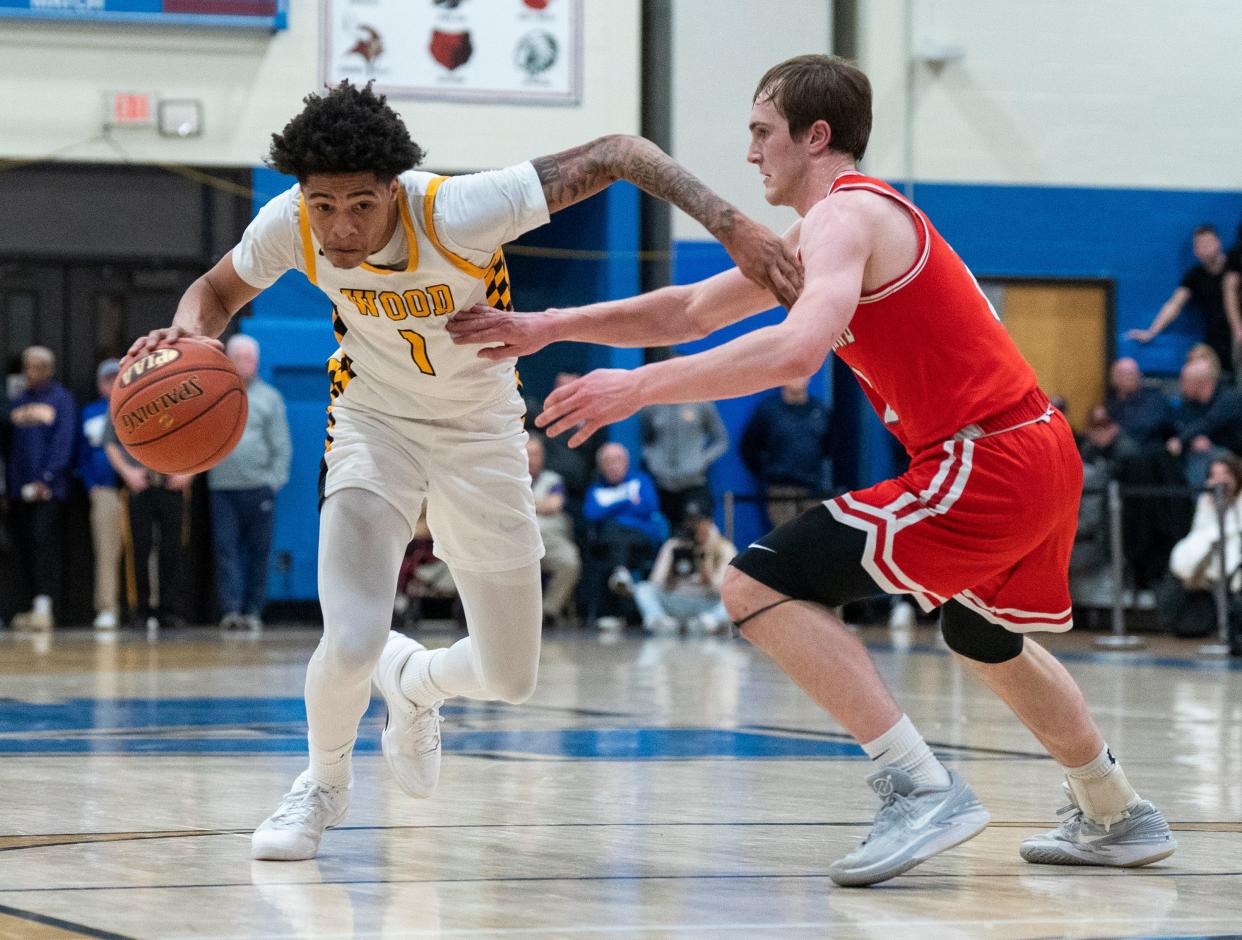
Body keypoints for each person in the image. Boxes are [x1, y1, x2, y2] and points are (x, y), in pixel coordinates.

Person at [448, 54, 1176, 886]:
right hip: (1032, 448)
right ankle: (1116, 809)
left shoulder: (846, 215)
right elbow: (690, 309)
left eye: (763, 132)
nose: (751, 152)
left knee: (754, 584)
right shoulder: (830, 229)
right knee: (982, 633)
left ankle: (918, 786)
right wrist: (549, 324)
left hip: (985, 456)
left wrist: (638, 386)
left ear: (815, 135)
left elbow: (796, 349)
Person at [122, 80, 799, 862]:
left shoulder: (460, 209)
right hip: (373, 422)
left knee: (510, 676)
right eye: (322, 205)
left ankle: (416, 684)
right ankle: (321, 785)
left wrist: (733, 226)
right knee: (348, 639)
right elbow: (214, 292)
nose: (340, 228)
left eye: (361, 205)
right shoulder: (290, 225)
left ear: (393, 189)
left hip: (482, 434)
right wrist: (181, 340)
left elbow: (620, 153)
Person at [208, 335, 293, 632]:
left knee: (259, 552)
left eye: (251, 358)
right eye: (241, 357)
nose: (247, 363)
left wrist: (273, 482)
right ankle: (230, 610)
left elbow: (281, 446)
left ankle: (254, 610)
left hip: (258, 488)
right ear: (229, 360)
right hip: (223, 487)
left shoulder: (270, 398)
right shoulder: (216, 395)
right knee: (225, 552)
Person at [6, 346, 76, 632]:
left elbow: (64, 443)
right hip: (17, 490)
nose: (28, 372)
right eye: (25, 366)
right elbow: (10, 448)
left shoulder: (61, 400)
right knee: (21, 547)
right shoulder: (17, 401)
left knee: (42, 543)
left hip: (48, 490)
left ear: (47, 369)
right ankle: (27, 606)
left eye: (33, 367)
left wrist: (46, 478)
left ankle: (45, 607)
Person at [103, 416, 193, 632]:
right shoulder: (125, 391)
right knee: (139, 549)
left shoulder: (183, 393)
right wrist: (127, 472)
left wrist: (189, 473)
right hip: (140, 484)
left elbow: (200, 438)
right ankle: (140, 610)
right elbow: (110, 442)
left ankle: (170, 610)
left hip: (172, 484)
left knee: (172, 548)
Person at [1128, 224, 1238, 373]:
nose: (1204, 248)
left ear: (1218, 243)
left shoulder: (1235, 268)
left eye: (1207, 243)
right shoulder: (1194, 276)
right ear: (1195, 251)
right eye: (1199, 245)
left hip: (1237, 335)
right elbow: (1174, 305)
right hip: (1216, 343)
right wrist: (1151, 332)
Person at [582, 442, 667, 626]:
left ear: (626, 462)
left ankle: (613, 613)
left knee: (615, 532)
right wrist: (626, 501)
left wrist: (609, 507)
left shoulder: (641, 481)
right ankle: (621, 578)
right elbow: (590, 513)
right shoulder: (595, 489)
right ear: (600, 466)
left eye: (617, 460)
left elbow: (648, 506)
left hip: (640, 540)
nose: (613, 465)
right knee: (612, 537)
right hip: (608, 542)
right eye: (607, 461)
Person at [739, 375, 833, 528]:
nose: (796, 379)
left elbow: (831, 446)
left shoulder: (821, 410)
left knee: (814, 538)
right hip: (780, 489)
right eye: (793, 374)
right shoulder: (769, 409)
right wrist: (767, 473)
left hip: (813, 487)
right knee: (785, 537)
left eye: (801, 374)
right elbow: (749, 447)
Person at [629, 502, 736, 634]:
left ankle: (708, 622)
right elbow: (655, 582)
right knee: (643, 589)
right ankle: (659, 621)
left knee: (735, 598)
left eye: (698, 521)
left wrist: (706, 574)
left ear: (709, 521)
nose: (695, 526)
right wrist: (670, 574)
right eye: (691, 521)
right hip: (677, 599)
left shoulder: (723, 548)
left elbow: (725, 588)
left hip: (706, 602)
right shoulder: (674, 545)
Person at [79, 358, 124, 632]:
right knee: (106, 551)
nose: (112, 383)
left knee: (145, 550)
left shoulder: (136, 407)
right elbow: (81, 453)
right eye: (108, 379)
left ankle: (145, 607)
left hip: (135, 488)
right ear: (99, 383)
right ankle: (107, 608)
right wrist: (90, 483)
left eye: (117, 377)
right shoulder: (90, 413)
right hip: (104, 489)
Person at [639, 394, 728, 529]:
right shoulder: (651, 406)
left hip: (694, 482)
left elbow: (721, 440)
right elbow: (646, 439)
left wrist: (703, 460)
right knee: (663, 534)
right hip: (662, 484)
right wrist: (652, 460)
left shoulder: (702, 403)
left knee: (697, 532)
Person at [526, 433, 581, 624]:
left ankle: (548, 613)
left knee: (570, 561)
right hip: (516, 540)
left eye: (537, 454)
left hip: (550, 540)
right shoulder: (511, 479)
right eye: (528, 454)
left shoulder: (553, 479)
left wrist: (525, 504)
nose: (533, 459)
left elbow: (554, 505)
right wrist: (541, 505)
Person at [1167, 357, 1242, 488]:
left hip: (1235, 454)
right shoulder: (1189, 403)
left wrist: (1182, 439)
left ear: (1200, 383)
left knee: (1202, 456)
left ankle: (1200, 501)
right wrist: (1192, 439)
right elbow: (1182, 425)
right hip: (1207, 453)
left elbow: (1211, 421)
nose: (1181, 386)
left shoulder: (1229, 398)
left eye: (1185, 381)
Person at [1105, 357, 1174, 452]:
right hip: (1112, 448)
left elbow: (1150, 425)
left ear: (1138, 375)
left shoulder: (1154, 398)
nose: (1129, 378)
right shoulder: (1111, 400)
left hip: (1147, 449)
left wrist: (1118, 430)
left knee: (1124, 445)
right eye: (1123, 374)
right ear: (1114, 377)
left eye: (1131, 374)